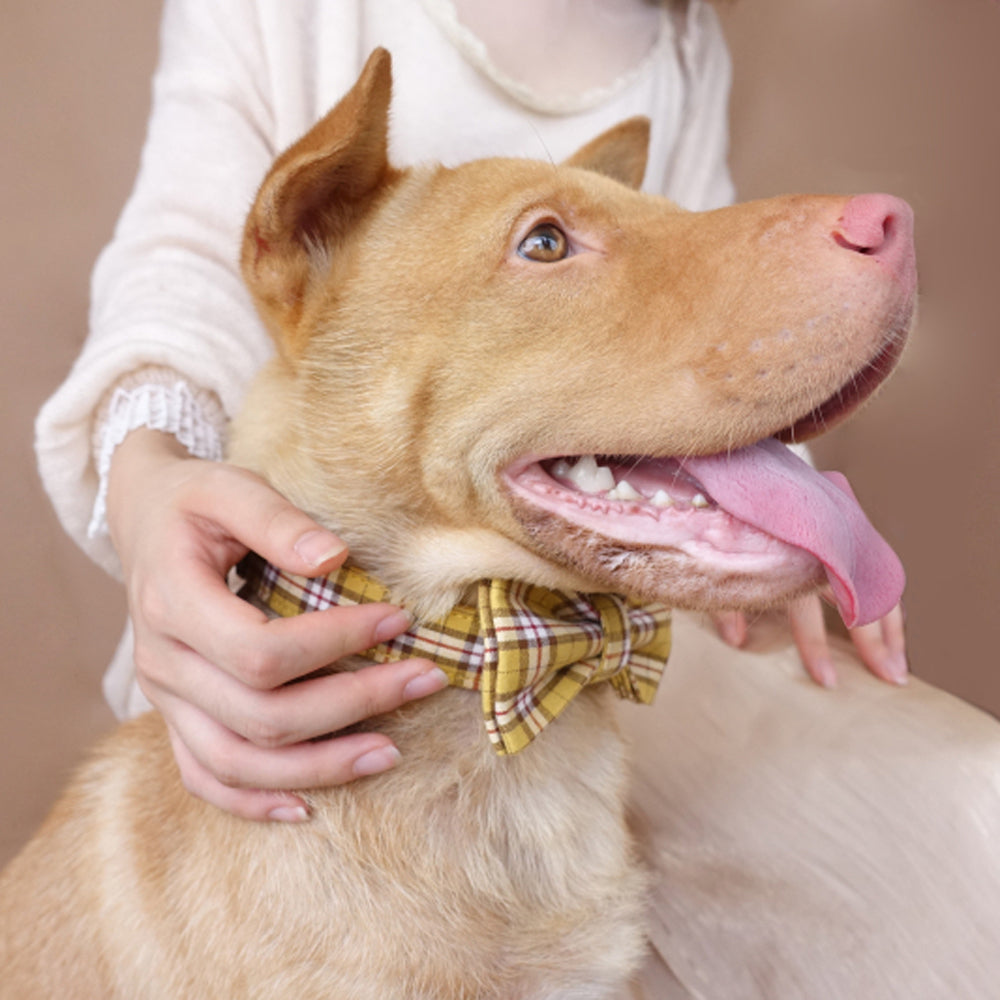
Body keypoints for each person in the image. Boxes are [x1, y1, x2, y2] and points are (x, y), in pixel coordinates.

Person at [36, 0, 906, 828]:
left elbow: (684, 300)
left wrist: (775, 495)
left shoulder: (678, 37)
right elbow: (182, 255)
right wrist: (148, 478)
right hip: (248, 684)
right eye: (545, 240)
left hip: (601, 667)